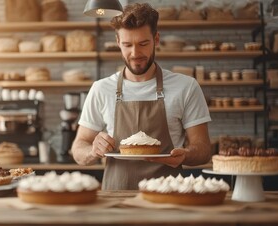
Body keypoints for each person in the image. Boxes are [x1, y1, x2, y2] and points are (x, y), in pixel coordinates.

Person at [71, 3, 212, 190]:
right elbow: (78, 149)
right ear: (118, 42)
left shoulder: (186, 87)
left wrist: (185, 154)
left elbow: (203, 149)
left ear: (156, 39)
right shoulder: (101, 89)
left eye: (143, 44)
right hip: (116, 197)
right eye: (127, 45)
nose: (135, 54)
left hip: (168, 195)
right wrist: (92, 150)